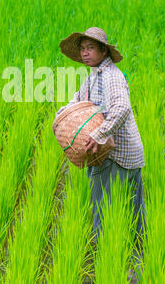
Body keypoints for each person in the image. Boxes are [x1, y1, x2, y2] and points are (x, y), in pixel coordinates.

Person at [55, 27, 146, 257]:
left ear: (103, 50)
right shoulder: (93, 76)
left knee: (104, 208)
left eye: (90, 48)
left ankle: (105, 257)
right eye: (83, 48)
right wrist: (62, 113)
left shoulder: (111, 76)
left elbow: (121, 108)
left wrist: (98, 134)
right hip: (123, 153)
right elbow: (78, 101)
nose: (85, 53)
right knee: (132, 208)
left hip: (117, 154)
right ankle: (139, 251)